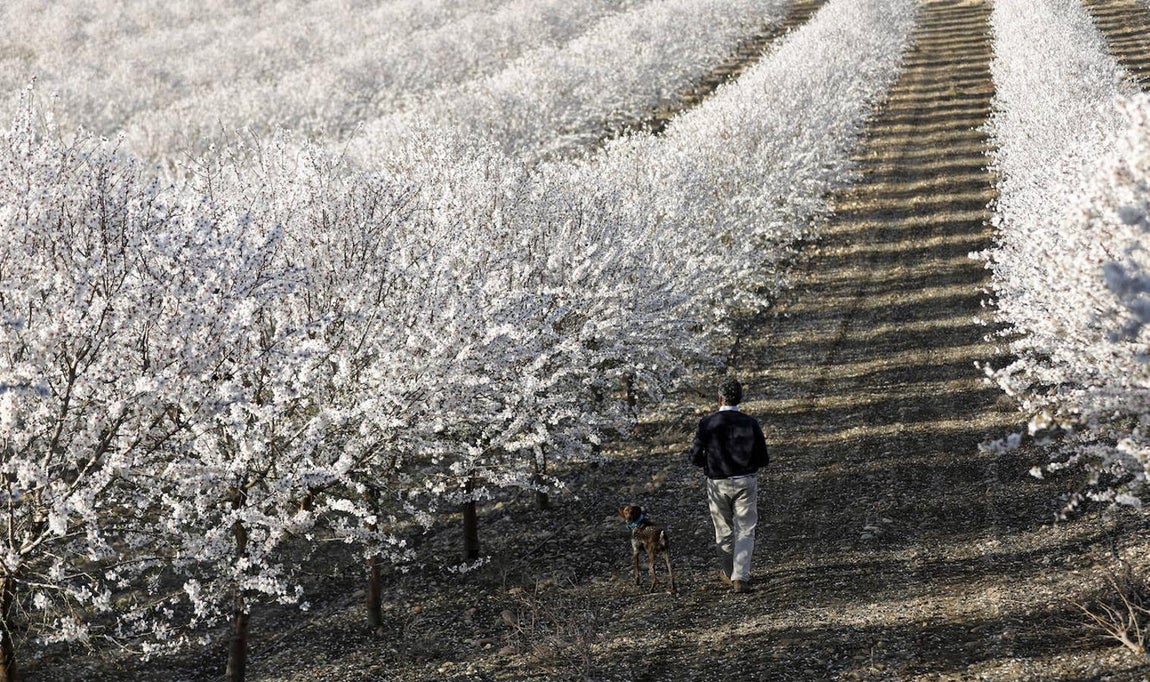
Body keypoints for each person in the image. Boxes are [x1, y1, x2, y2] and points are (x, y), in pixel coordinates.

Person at [687, 377, 769, 594]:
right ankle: (740, 576)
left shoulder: (707, 423)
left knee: (723, 530)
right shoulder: (750, 423)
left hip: (717, 483)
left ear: (719, 397)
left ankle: (728, 572)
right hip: (745, 480)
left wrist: (708, 465)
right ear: (739, 398)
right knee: (745, 529)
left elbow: (694, 455)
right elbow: (763, 457)